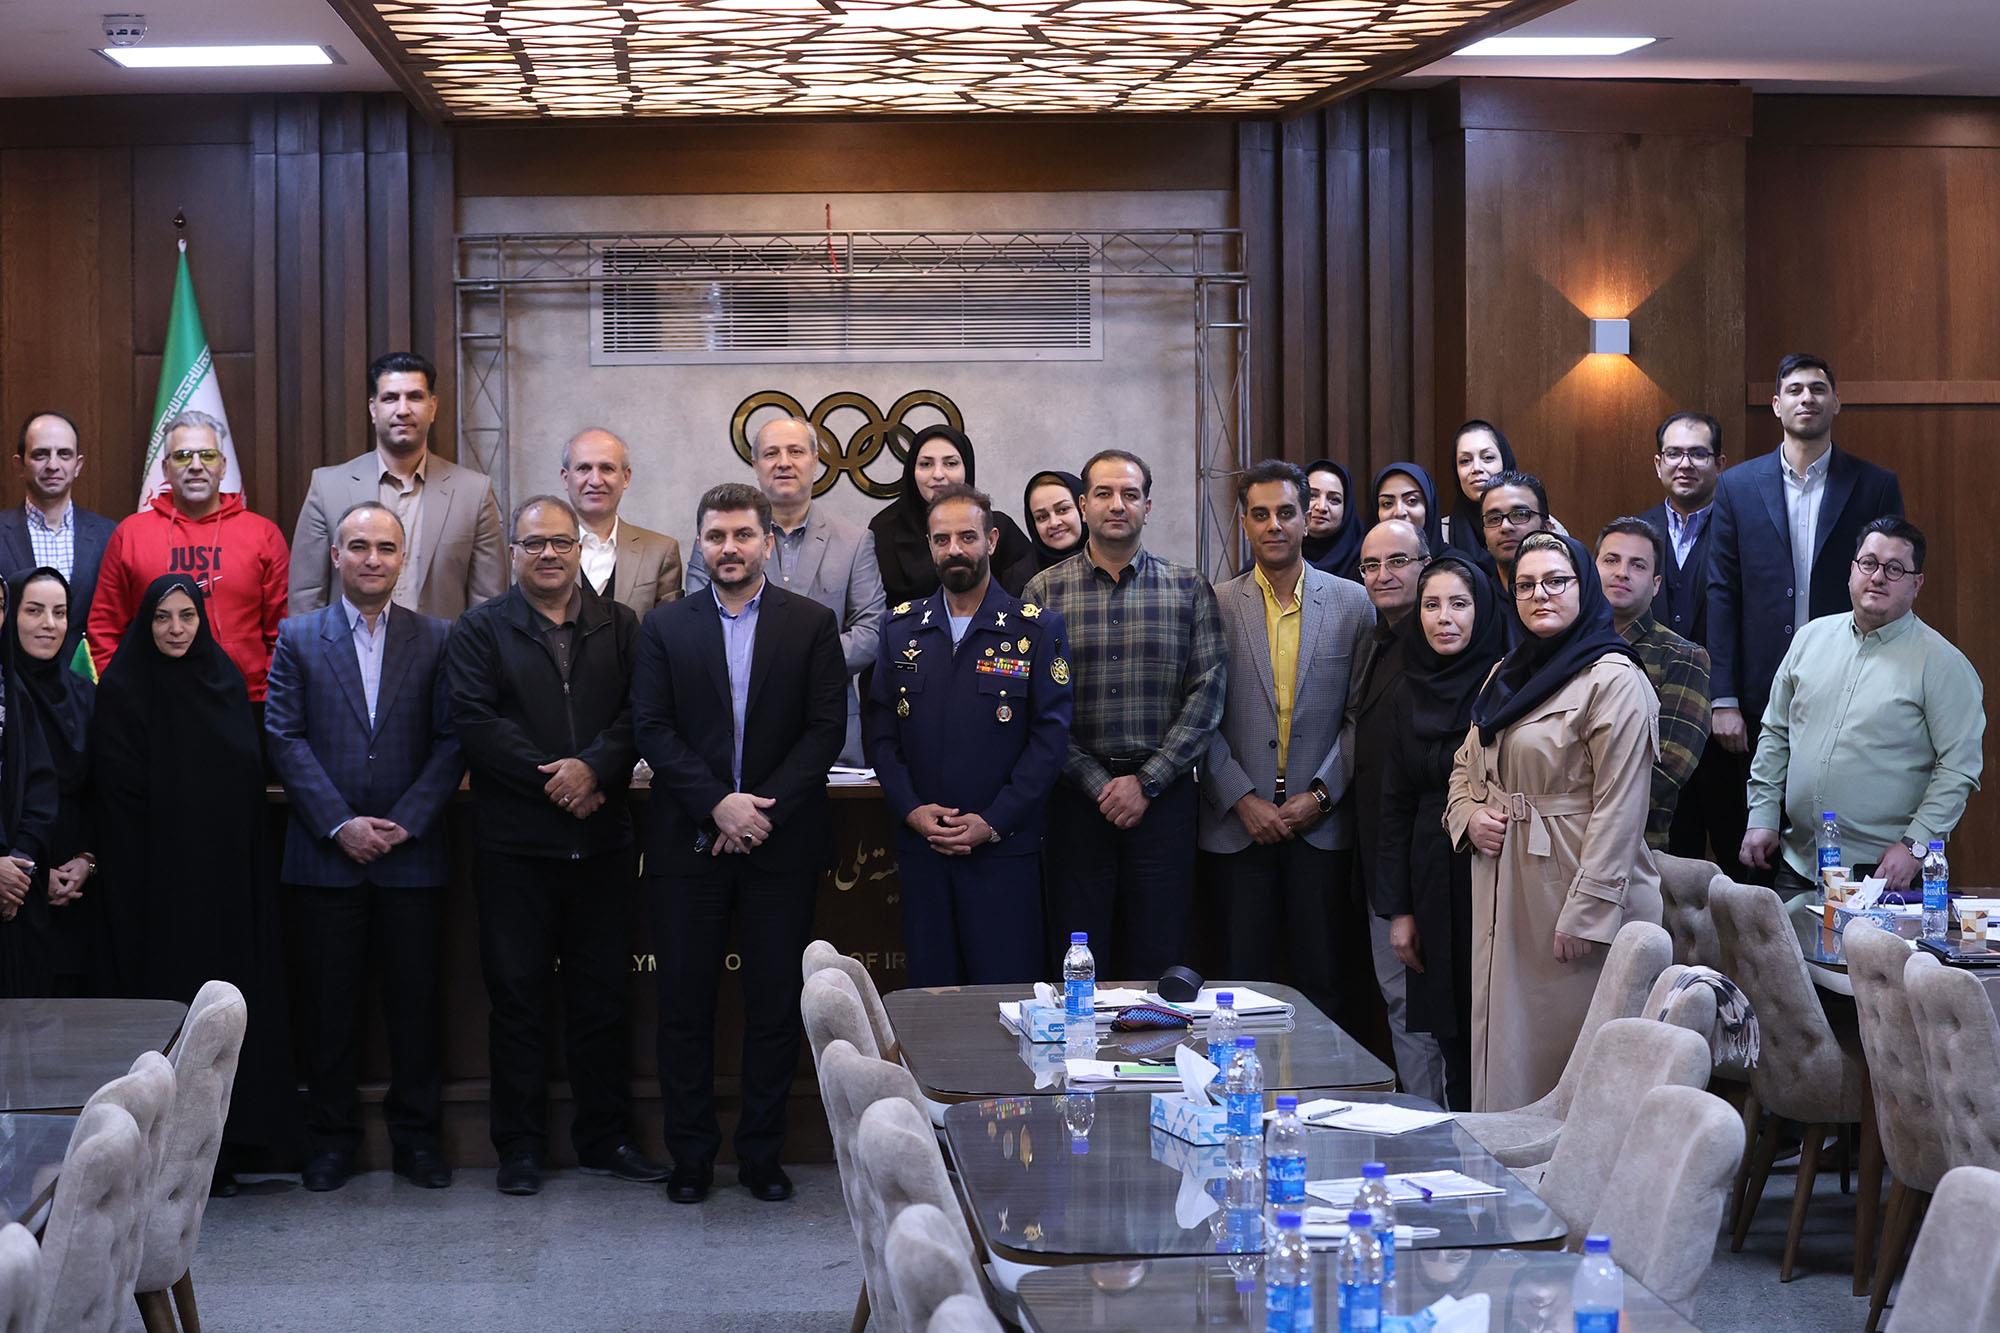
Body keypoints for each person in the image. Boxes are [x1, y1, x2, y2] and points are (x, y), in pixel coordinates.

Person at [445, 495, 665, 1197]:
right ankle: (520, 1148)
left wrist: (593, 769)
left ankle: (607, 1139)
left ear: (580, 550)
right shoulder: (480, 628)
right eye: (534, 543)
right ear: (513, 552)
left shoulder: (620, 624)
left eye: (561, 543)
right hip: (516, 848)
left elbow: (642, 713)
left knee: (603, 1000)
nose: (548, 554)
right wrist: (561, 779)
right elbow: (476, 722)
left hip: (602, 845)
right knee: (517, 1001)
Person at [635, 482, 846, 1204]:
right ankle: (691, 1156)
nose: (730, 548)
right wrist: (717, 806)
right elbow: (652, 727)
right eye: (716, 536)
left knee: (774, 1006)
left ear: (767, 541)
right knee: (683, 1007)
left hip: (779, 844)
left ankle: (762, 1155)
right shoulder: (664, 626)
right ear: (700, 543)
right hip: (688, 844)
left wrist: (759, 812)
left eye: (743, 535)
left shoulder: (812, 623)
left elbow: (825, 730)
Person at [265, 502, 466, 1193]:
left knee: (416, 1007)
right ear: (336, 556)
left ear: (403, 558)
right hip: (325, 857)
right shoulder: (298, 636)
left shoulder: (437, 637)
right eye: (358, 546)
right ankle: (330, 1142)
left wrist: (406, 821)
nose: (371, 558)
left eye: (385, 547)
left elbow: (453, 738)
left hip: (413, 857)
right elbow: (284, 736)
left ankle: (418, 1141)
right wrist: (340, 823)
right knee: (329, 1012)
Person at [90, 575, 295, 1185]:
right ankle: (161, 1154)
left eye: (187, 616)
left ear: (203, 620)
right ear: (144, 623)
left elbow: (245, 782)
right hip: (154, 889)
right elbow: (115, 793)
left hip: (224, 886)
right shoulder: (124, 687)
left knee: (224, 1010)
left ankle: (229, 1148)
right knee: (169, 1015)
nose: (176, 629)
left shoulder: (223, 681)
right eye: (162, 617)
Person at [1447, 533, 1661, 1111]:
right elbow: (1467, 764)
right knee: (1505, 1043)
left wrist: (1589, 911)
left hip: (1570, 886)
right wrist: (1468, 815)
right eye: (1525, 585)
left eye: (1555, 581)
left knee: (1562, 1055)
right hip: (1505, 881)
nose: (1539, 594)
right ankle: (1503, 1159)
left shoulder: (1614, 679)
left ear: (1583, 588)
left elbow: (1621, 807)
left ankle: (1561, 1169)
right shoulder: (1507, 672)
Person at [1024, 449, 1225, 979]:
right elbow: (1036, 706)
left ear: (1148, 506)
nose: (1118, 505)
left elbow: (1207, 695)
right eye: (1105, 494)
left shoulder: (1188, 587)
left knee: (1159, 958)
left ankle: (1153, 1039)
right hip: (1074, 807)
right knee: (1077, 962)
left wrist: (1147, 781)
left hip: (1164, 805)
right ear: (1083, 505)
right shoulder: (1044, 592)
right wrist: (1098, 784)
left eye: (1130, 494)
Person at [863, 484, 1071, 986]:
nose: (954, 549)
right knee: (931, 998)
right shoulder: (900, 629)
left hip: (1004, 852)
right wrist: (912, 810)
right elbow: (881, 734)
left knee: (1005, 997)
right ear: (930, 546)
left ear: (991, 541)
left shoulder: (1035, 630)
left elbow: (1049, 741)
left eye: (967, 537)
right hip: (924, 851)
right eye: (942, 540)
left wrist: (993, 821)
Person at [1706, 354, 1903, 879]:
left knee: (1831, 831)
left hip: (1847, 682)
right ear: (1776, 405)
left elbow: (1890, 584)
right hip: (1755, 689)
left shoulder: (1874, 485)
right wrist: (1722, 696)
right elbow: (1722, 592)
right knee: (1753, 844)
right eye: (1794, 390)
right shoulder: (1737, 486)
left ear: (1836, 402)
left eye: (1818, 389)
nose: (1807, 399)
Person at [1198, 461, 1374, 1029]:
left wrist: (1320, 796)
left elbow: (1360, 717)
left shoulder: (1353, 604)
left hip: (1320, 828)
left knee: (1323, 983)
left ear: (1305, 518)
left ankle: (1321, 1082)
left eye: (1285, 512)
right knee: (1237, 984)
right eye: (1260, 514)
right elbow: (1199, 717)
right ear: (1243, 522)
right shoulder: (1213, 603)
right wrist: (1241, 797)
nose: (1273, 525)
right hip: (1237, 827)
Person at [1743, 518, 1983, 896]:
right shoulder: (1809, 639)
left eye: (1895, 569)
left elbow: (1958, 768)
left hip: (1883, 875)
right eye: (1868, 563)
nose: (1878, 577)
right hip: (1797, 863)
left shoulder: (1943, 664)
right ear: (1852, 570)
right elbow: (1776, 733)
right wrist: (1762, 814)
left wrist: (1915, 846)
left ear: (1917, 583)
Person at [1375, 555, 1507, 1110]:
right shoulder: (1407, 690)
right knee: (1450, 1035)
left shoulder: (1508, 683)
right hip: (1431, 875)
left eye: (1459, 604)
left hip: (1494, 869)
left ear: (1483, 610)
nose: (1444, 618)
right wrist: (1400, 911)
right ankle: (1461, 1143)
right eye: (1431, 605)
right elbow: (1395, 804)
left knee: (1495, 1031)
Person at [689, 416, 885, 766]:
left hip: (830, 729)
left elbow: (871, 632)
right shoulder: (719, 543)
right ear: (755, 465)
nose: (783, 462)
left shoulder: (855, 541)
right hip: (733, 730)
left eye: (795, 451)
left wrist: (796, 660)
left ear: (815, 461)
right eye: (771, 453)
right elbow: (697, 623)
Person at [87, 410, 290, 701]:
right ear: (165, 469)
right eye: (182, 456)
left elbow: (282, 632)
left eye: (207, 455)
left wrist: (267, 697)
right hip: (152, 703)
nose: (196, 466)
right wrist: (123, 694)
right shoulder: (129, 534)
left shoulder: (264, 535)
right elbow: (104, 629)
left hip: (244, 703)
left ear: (223, 466)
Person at [289, 351, 506, 620]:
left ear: (433, 407)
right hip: (346, 647)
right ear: (373, 409)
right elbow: (306, 597)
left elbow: (488, 602)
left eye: (415, 397)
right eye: (390, 398)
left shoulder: (473, 493)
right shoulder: (327, 488)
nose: (403, 410)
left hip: (444, 647)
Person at [1347, 518, 1445, 1100]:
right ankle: (1423, 1118)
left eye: (1398, 561)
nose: (1383, 575)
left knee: (1425, 1005)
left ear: (1425, 564)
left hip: (1428, 854)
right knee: (1399, 1001)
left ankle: (1443, 1128)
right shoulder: (1376, 639)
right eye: (1371, 565)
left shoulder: (1442, 643)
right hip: (1379, 851)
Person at [1640, 412, 1736, 862]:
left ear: (1719, 463)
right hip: (1651, 728)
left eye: (1698, 453)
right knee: (1665, 866)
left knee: (1738, 864)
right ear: (1658, 463)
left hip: (1726, 729)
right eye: (1674, 453)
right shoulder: (1635, 534)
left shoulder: (1742, 530)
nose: (1685, 463)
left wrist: (1728, 699)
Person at [0, 570, 91, 997]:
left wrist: (88, 859)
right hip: (16, 883)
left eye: (60, 613)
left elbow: (103, 788)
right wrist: (30, 870)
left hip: (79, 887)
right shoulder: (9, 693)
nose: (49, 624)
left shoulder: (86, 695)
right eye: (33, 610)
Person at [1596, 518, 1711, 853]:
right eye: (1611, 560)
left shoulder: (1682, 657)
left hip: (1635, 847)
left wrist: (1577, 811)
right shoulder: (1565, 649)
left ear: (1656, 584)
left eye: (1638, 565)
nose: (1622, 573)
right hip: (1551, 843)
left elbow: (1669, 769)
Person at [869, 425, 1037, 607]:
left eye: (951, 463)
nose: (938, 474)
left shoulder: (997, 528)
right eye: (926, 464)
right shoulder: (884, 530)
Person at [2, 412, 117, 660]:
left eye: (64, 454)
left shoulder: (110, 537)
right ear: (19, 464)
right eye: (40, 454)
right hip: (10, 680)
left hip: (86, 680)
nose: (53, 465)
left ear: (78, 465)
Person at [559, 427, 684, 617]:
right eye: (584, 468)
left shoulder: (661, 551)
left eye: (606, 468)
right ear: (565, 478)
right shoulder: (540, 551)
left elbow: (668, 629)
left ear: (625, 478)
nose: (595, 480)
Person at [1441, 421, 1514, 581]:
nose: (1476, 468)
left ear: (1505, 462)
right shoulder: (1440, 535)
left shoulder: (1539, 524)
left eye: (1487, 458)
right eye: (1465, 461)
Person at [1477, 470, 1552, 600]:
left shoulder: (1569, 593)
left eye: (1520, 515)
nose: (1505, 527)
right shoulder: (1477, 599)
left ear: (1546, 529)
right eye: (1494, 519)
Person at [1302, 459, 1363, 582]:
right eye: (1312, 496)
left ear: (1347, 508)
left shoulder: (1364, 558)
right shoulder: (1279, 554)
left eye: (1334, 499)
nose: (1321, 507)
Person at [1022, 469, 1088, 572]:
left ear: (1083, 508)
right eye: (1042, 517)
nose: (1054, 523)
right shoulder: (1020, 577)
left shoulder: (1112, 559)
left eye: (1063, 510)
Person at [1371, 461, 1443, 554]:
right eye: (1387, 503)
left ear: (1428, 508)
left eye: (1412, 501)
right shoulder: (1365, 561)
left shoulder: (1453, 562)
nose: (1399, 512)